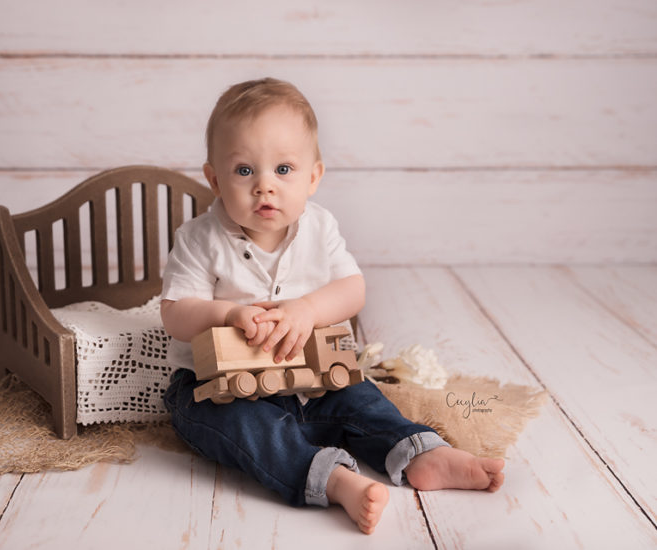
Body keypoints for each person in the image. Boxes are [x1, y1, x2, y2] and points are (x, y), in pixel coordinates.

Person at [161, 77, 504, 535]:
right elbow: (175, 312)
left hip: (313, 377)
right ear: (214, 178)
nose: (265, 187)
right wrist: (227, 314)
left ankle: (421, 453)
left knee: (362, 399)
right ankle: (335, 479)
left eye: (283, 170)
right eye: (245, 171)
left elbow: (352, 289)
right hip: (218, 386)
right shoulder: (199, 239)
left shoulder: (319, 229)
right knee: (249, 430)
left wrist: (306, 308)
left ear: (313, 177)